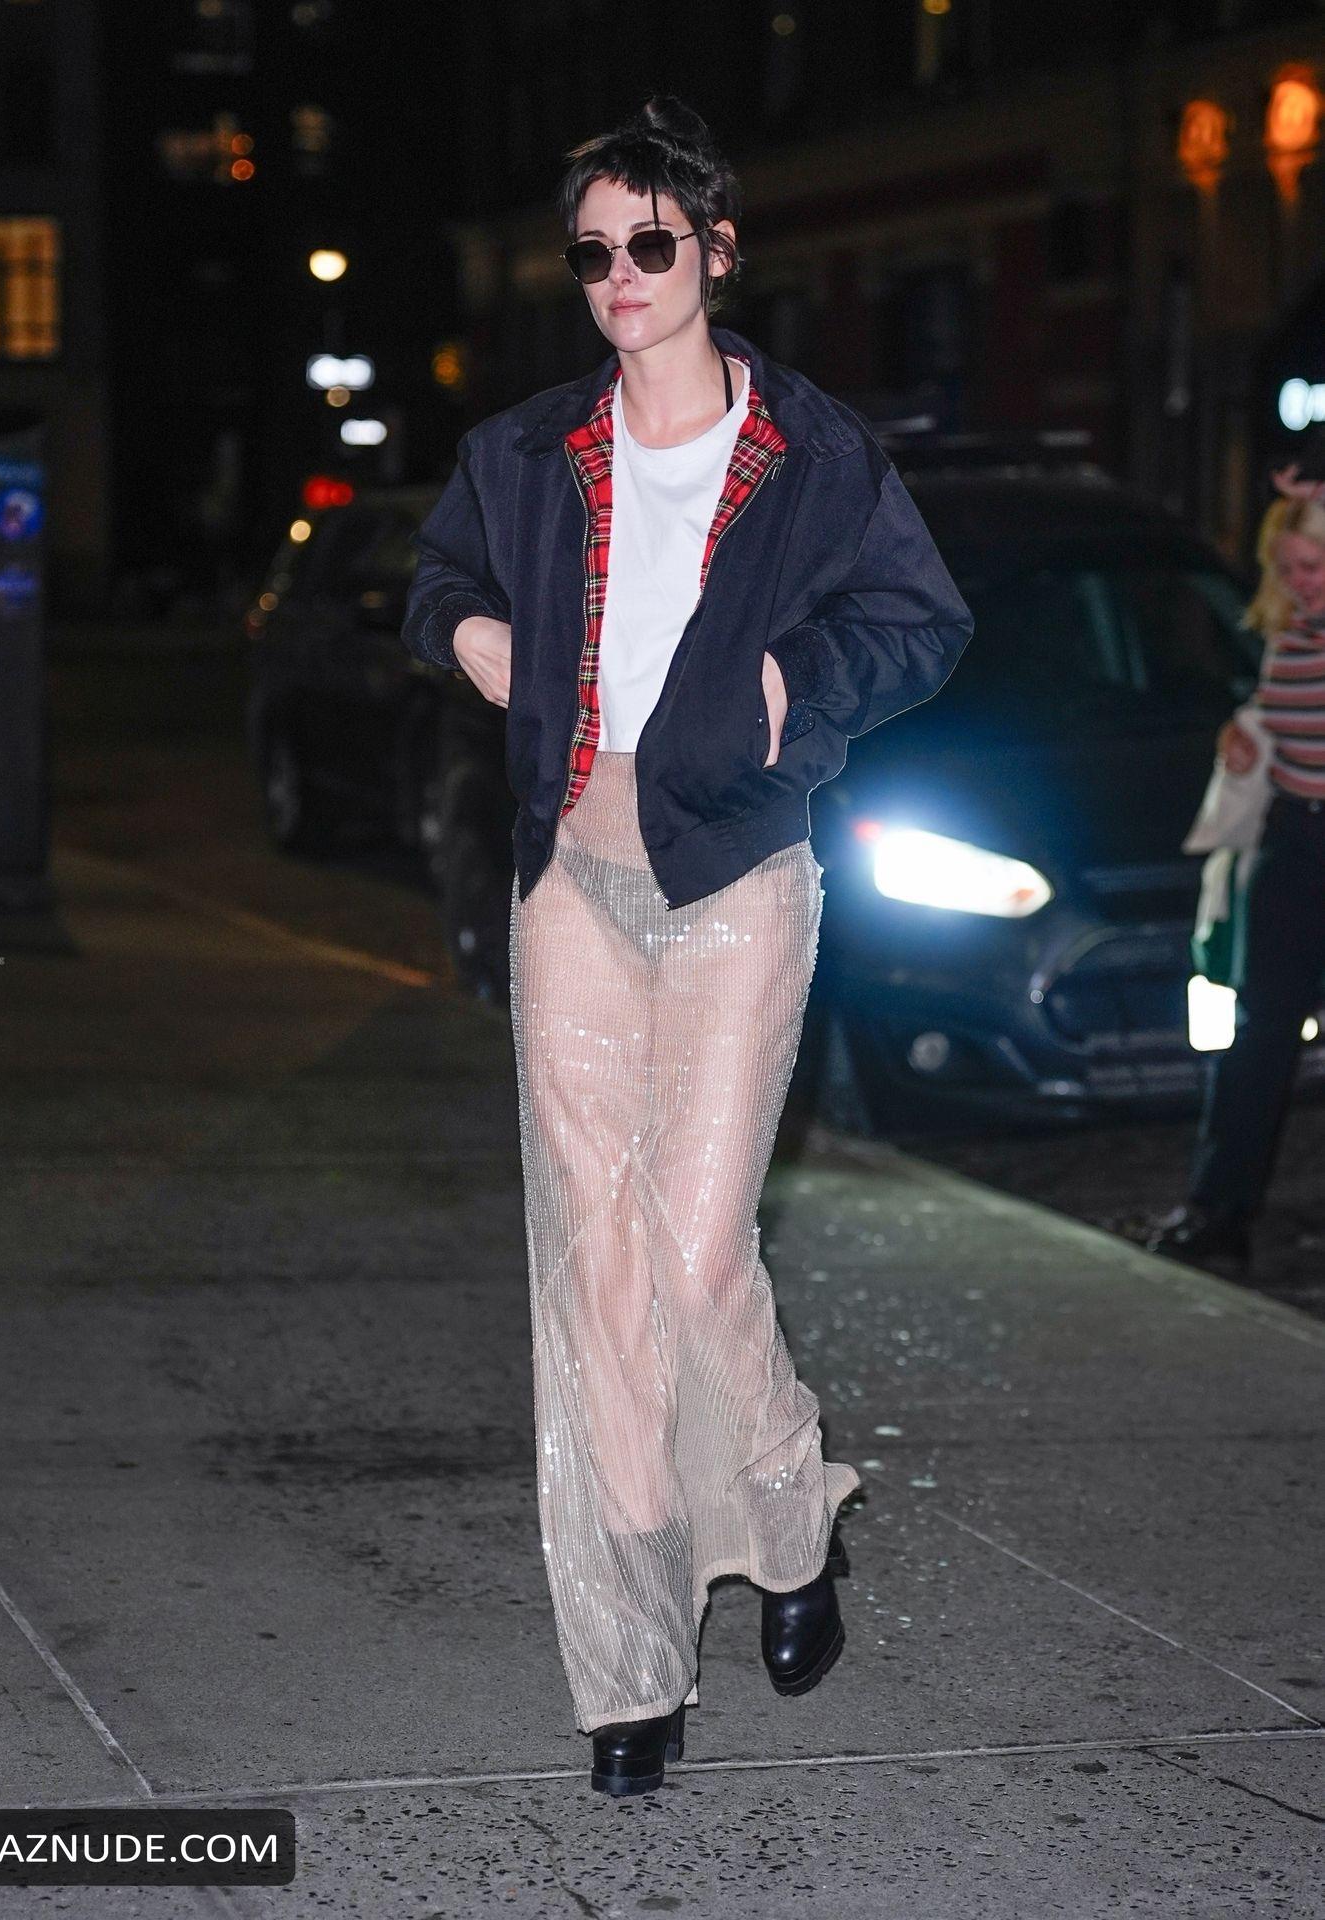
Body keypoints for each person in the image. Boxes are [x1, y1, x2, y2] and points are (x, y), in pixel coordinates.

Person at [402, 96, 973, 1797]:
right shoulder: (522, 453)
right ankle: (630, 1668)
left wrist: (794, 685)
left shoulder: (811, 452)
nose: (619, 276)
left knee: (697, 1244)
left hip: (735, 872)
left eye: (649, 243)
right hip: (568, 871)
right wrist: (473, 635)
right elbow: (434, 581)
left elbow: (921, 623)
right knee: (591, 1269)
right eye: (591, 252)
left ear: (715, 251)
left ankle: (788, 1518)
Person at [1147, 463, 1325, 1272]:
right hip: (1290, 837)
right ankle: (1217, 1213)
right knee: (1258, 1029)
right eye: (1286, 567)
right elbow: (1282, 720)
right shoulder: (1291, 634)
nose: (1299, 581)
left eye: (1311, 565)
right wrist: (1245, 732)